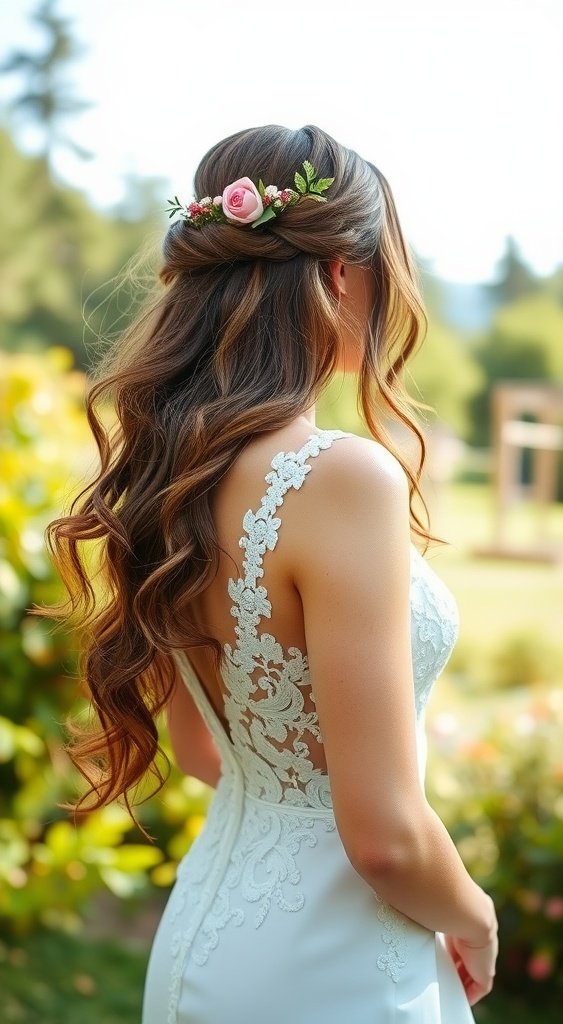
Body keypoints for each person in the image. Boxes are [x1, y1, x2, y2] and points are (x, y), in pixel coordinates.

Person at [45, 124, 498, 1023]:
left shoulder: (172, 472)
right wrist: (476, 916)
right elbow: (383, 838)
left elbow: (210, 752)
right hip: (335, 968)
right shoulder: (342, 478)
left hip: (206, 937)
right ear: (341, 273)